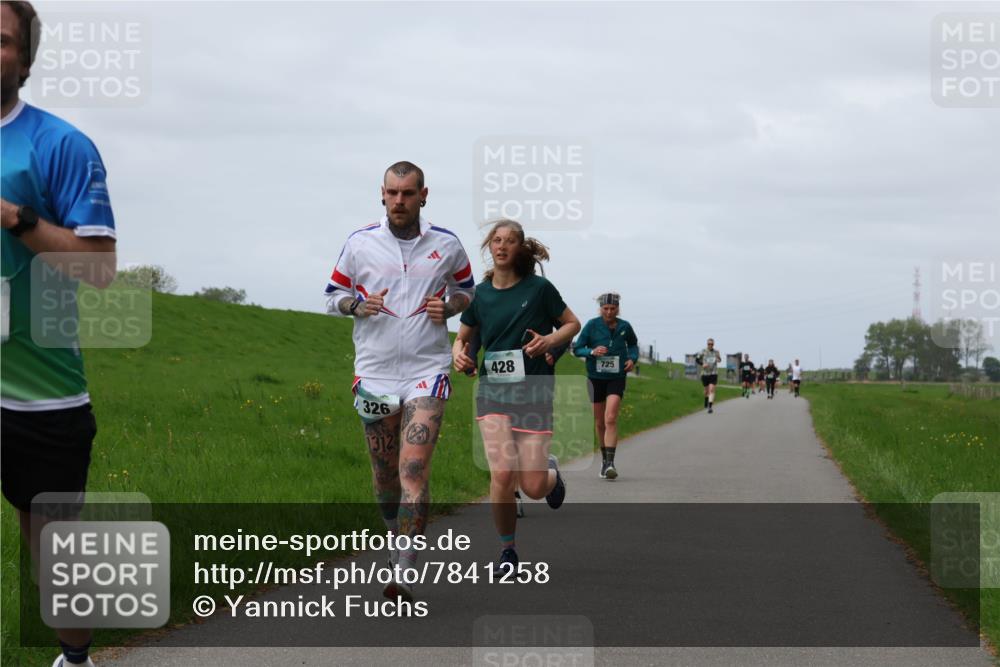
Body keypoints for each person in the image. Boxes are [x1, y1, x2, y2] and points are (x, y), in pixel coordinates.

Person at [1, 3, 118, 665]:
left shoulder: (59, 144)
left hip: (39, 398)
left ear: (25, 56)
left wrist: (15, 219)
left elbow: (97, 269)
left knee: (55, 570)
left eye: (0, 40)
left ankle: (76, 658)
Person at [325, 161, 475, 602]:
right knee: (384, 475)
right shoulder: (359, 243)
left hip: (427, 370)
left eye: (408, 194)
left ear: (423, 195)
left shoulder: (446, 244)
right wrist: (356, 306)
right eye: (392, 193)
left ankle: (405, 567)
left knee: (413, 467)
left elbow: (469, 292)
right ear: (382, 194)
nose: (399, 201)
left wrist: (450, 307)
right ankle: (395, 540)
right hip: (374, 373)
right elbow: (332, 297)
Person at [452, 219, 580, 572]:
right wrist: (458, 354)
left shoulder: (540, 289)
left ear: (521, 248)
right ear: (489, 247)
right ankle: (507, 552)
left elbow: (572, 324)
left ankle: (552, 476)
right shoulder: (480, 294)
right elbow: (462, 338)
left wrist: (550, 340)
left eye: (509, 241)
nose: (502, 246)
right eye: (496, 240)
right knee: (503, 474)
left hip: (534, 393)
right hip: (493, 394)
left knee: (534, 486)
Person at [573, 292, 638, 480]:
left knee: (610, 418)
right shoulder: (592, 325)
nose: (609, 312)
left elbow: (633, 346)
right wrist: (592, 351)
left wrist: (632, 359)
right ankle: (603, 461)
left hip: (616, 377)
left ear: (618, 308)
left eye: (613, 309)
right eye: (605, 309)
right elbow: (577, 348)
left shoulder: (625, 326)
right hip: (595, 377)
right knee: (600, 422)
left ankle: (610, 463)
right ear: (600, 308)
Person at [696, 338, 722, 413]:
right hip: (705, 373)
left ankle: (710, 407)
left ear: (713, 344)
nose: (710, 345)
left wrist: (718, 360)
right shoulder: (703, 351)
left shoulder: (716, 352)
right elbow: (697, 359)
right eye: (709, 344)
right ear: (707, 344)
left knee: (711, 389)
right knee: (706, 391)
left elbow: (720, 360)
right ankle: (706, 399)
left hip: (713, 373)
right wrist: (702, 364)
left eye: (712, 344)